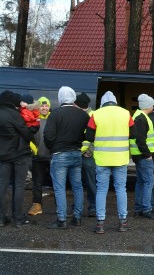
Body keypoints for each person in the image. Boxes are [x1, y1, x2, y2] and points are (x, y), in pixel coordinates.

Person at [85, 91, 135, 234]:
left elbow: (88, 136)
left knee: (101, 190)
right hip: (120, 158)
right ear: (115, 102)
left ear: (102, 103)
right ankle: (123, 222)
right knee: (121, 189)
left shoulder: (96, 114)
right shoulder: (125, 113)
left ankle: (100, 223)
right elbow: (135, 133)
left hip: (102, 158)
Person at [43, 86, 89, 229]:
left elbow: (48, 136)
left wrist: (53, 147)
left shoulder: (55, 114)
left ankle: (61, 220)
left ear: (60, 98)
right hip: (76, 153)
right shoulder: (83, 115)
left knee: (60, 188)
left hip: (60, 154)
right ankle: (77, 217)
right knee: (77, 187)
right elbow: (87, 135)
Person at [0, 90, 38, 227]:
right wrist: (35, 128)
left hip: (2, 156)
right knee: (19, 186)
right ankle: (19, 219)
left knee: (2, 186)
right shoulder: (14, 115)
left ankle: (1, 218)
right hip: (19, 155)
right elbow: (27, 134)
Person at [129, 94, 154, 220]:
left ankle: (139, 208)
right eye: (152, 104)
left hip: (138, 155)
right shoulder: (141, 118)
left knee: (141, 181)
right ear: (147, 106)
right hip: (143, 156)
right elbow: (140, 140)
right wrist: (148, 155)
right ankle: (146, 209)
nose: (153, 106)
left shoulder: (138, 116)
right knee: (149, 181)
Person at [28, 96, 52, 216]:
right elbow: (28, 136)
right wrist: (35, 150)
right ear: (38, 107)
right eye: (42, 106)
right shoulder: (33, 119)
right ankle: (37, 205)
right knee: (37, 183)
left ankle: (60, 208)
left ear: (49, 106)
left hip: (52, 157)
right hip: (37, 157)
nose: (44, 108)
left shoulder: (54, 119)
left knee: (57, 183)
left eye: (46, 105)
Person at [75, 92, 97, 217]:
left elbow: (97, 136)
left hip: (87, 155)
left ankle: (93, 207)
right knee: (76, 182)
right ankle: (77, 207)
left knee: (90, 182)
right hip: (78, 152)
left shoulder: (93, 115)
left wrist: (90, 151)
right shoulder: (78, 114)